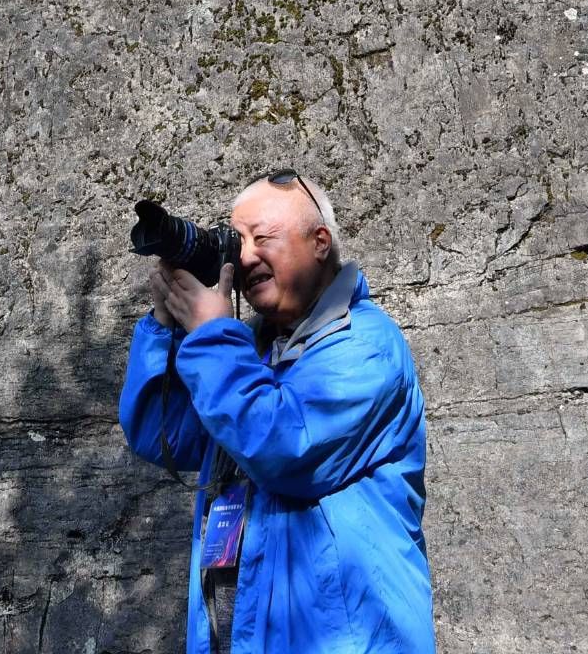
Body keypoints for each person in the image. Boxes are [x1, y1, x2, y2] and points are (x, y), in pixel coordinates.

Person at [117, 170, 435, 653]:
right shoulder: (250, 357)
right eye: (237, 241)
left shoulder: (366, 346)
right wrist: (169, 325)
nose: (245, 256)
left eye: (262, 237)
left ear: (320, 241)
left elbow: (281, 443)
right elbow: (161, 435)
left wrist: (212, 335)